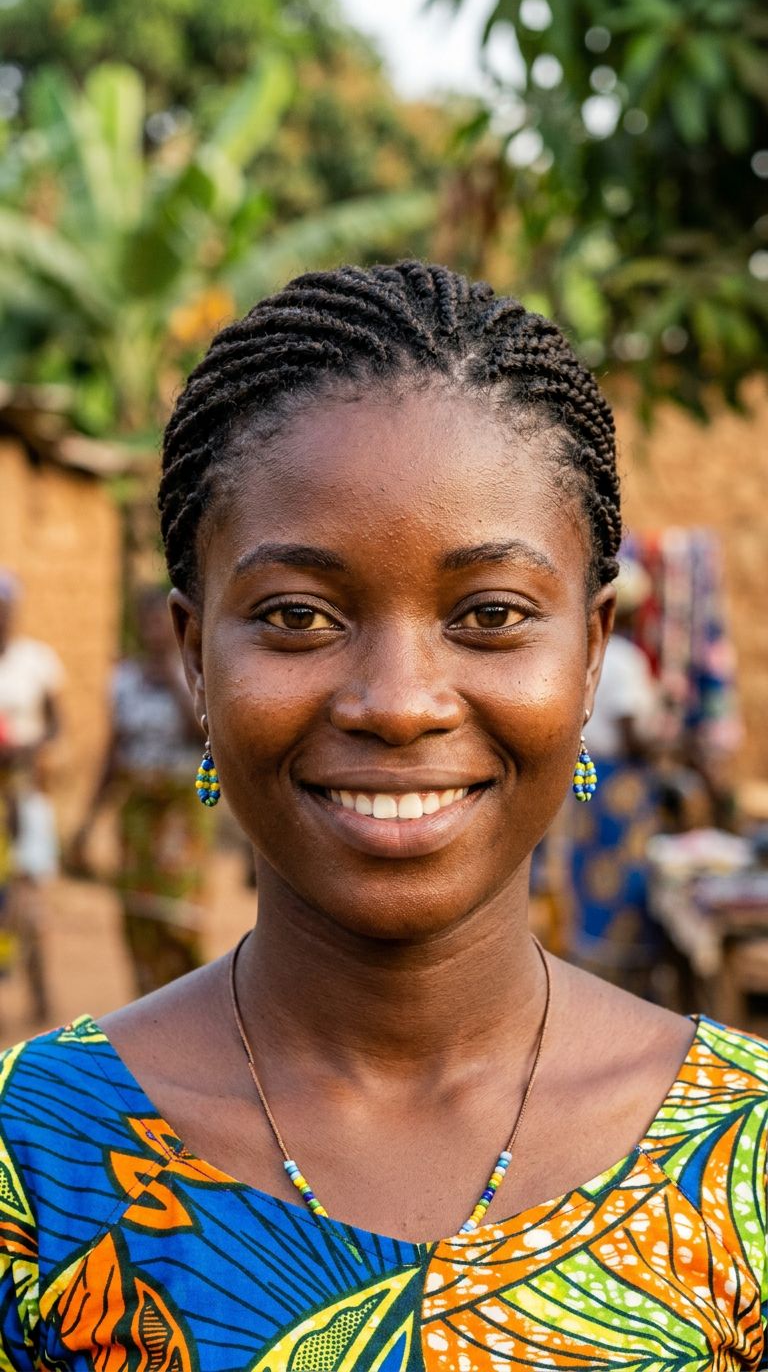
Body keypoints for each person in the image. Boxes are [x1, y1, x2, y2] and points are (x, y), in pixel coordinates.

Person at [0, 263, 766, 1371]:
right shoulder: (36, 1158)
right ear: (194, 655)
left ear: (593, 651)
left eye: (491, 613)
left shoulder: (743, 1159)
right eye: (298, 615)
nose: (400, 702)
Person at [72, 585, 209, 994]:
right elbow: (113, 752)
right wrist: (89, 821)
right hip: (136, 810)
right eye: (145, 622)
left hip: (180, 809)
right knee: (137, 914)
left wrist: (171, 677)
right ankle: (149, 1004)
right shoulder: (124, 680)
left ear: (176, 626)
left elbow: (200, 732)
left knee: (179, 916)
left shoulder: (195, 675)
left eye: (159, 623)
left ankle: (193, 1001)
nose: (152, 631)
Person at [569, 557, 661, 987]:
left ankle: (590, 956)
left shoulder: (586, 656)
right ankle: (627, 967)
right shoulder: (627, 661)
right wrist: (666, 744)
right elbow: (631, 736)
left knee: (589, 866)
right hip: (622, 782)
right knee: (625, 870)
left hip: (592, 773)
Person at [0, 570, 63, 1019]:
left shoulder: (36, 662)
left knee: (31, 901)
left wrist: (32, 747)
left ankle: (41, 998)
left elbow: (57, 724)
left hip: (25, 791)